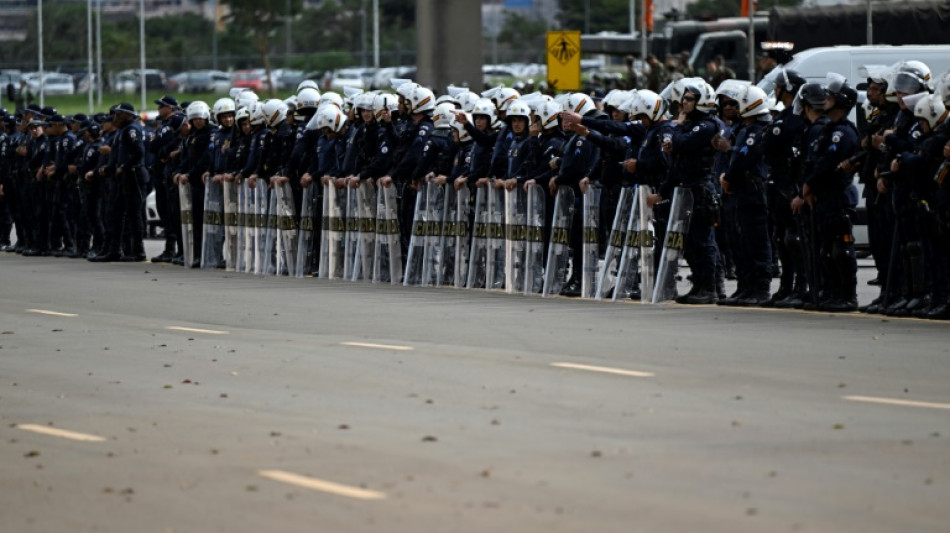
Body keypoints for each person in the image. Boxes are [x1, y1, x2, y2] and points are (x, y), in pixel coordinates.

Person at [719, 85, 774, 306]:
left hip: (753, 191)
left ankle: (760, 289)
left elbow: (744, 159)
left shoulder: (757, 130)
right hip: (740, 191)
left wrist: (729, 177)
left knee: (757, 240)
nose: (734, 106)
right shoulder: (745, 128)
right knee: (740, 240)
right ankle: (745, 286)